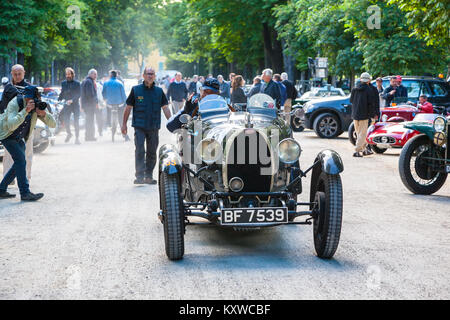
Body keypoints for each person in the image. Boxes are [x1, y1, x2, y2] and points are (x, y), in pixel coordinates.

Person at [0, 85, 56, 201]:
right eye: (27, 99)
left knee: (20, 162)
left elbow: (53, 125)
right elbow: (11, 125)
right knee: (20, 160)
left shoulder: (37, 106)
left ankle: (1, 189)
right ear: (24, 96)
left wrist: (43, 114)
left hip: (19, 137)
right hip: (6, 134)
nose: (29, 101)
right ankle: (25, 193)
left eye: (32, 100)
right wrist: (26, 111)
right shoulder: (15, 103)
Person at [121, 67, 172, 185]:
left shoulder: (159, 92)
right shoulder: (136, 90)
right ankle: (139, 175)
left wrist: (172, 122)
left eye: (152, 74)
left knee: (152, 152)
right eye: (148, 74)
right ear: (143, 76)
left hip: (154, 126)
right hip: (139, 126)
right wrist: (124, 124)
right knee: (139, 149)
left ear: (154, 76)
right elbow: (128, 107)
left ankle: (148, 175)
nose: (150, 76)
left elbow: (165, 108)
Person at [1, 65, 33, 184]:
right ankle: (8, 180)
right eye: (15, 74)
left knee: (27, 153)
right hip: (11, 126)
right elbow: (3, 107)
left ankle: (26, 178)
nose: (18, 76)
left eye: (20, 73)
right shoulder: (8, 88)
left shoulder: (30, 87)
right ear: (11, 74)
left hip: (27, 125)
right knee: (8, 155)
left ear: (24, 73)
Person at [350, 72, 379, 157]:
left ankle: (364, 149)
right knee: (362, 134)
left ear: (360, 79)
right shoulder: (369, 90)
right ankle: (357, 151)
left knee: (359, 133)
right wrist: (373, 114)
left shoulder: (354, 89)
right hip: (364, 115)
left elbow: (351, 101)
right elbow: (371, 103)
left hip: (355, 114)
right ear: (368, 80)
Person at [102, 70, 129, 142]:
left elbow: (103, 93)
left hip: (109, 104)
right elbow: (123, 95)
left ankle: (108, 126)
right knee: (121, 120)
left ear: (110, 75)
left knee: (108, 117)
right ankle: (125, 136)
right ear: (116, 75)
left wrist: (105, 99)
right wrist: (125, 103)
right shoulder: (120, 83)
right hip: (119, 104)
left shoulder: (106, 83)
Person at [59, 67, 81, 144]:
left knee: (76, 122)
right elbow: (62, 93)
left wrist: (72, 100)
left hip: (75, 104)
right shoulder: (63, 83)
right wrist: (58, 100)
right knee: (66, 120)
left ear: (72, 74)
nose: (67, 75)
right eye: (66, 74)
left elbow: (79, 94)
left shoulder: (77, 83)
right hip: (67, 105)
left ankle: (77, 138)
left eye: (69, 74)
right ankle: (69, 133)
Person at [81, 69, 99, 141]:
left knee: (89, 121)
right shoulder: (89, 82)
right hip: (89, 105)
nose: (96, 76)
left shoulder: (86, 81)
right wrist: (95, 103)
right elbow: (90, 95)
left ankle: (88, 136)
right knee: (90, 121)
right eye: (95, 74)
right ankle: (89, 137)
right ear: (90, 74)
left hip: (86, 105)